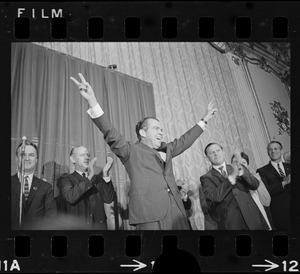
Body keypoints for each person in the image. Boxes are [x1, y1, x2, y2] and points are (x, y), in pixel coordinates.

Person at [70, 73, 217, 230]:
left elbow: (185, 140)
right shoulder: (130, 151)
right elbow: (109, 131)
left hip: (178, 213)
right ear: (142, 133)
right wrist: (92, 100)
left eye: (161, 129)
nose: (161, 132)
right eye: (156, 129)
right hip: (150, 214)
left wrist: (204, 119)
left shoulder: (167, 149)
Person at [200, 143, 269, 230]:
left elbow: (254, 185)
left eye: (218, 150)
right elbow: (215, 197)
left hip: (252, 218)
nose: (216, 154)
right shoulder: (206, 178)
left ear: (223, 152)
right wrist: (231, 178)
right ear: (207, 158)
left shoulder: (237, 166)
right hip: (231, 223)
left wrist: (241, 169)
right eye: (211, 153)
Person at [57, 146, 115, 230]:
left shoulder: (97, 179)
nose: (87, 157)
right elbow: (70, 197)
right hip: (77, 230)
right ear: (73, 159)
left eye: (88, 155)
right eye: (82, 155)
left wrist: (105, 174)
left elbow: (109, 199)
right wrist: (89, 177)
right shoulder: (65, 179)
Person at [11, 140, 57, 230]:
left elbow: (51, 218)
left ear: (36, 159)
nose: (27, 158)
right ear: (17, 158)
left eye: (31, 155)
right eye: (23, 155)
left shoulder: (46, 187)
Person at [231, 151, 273, 230]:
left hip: (259, 213)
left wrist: (258, 183)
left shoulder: (255, 178)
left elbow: (267, 201)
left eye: (243, 162)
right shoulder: (231, 181)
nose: (240, 165)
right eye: (236, 162)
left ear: (248, 164)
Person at [257, 141, 290, 230]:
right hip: (280, 215)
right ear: (268, 152)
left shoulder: (290, 166)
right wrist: (283, 183)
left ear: (281, 151)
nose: (273, 151)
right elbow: (266, 191)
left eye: (276, 149)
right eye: (270, 149)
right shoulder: (262, 171)